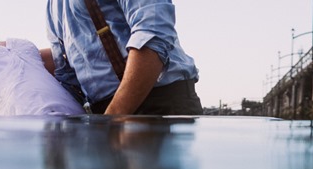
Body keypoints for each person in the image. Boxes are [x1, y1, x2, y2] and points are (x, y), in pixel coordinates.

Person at [46, 0, 203, 115]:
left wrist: (114, 115)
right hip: (105, 113)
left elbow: (152, 33)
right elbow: (67, 76)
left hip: (159, 100)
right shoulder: (52, 6)